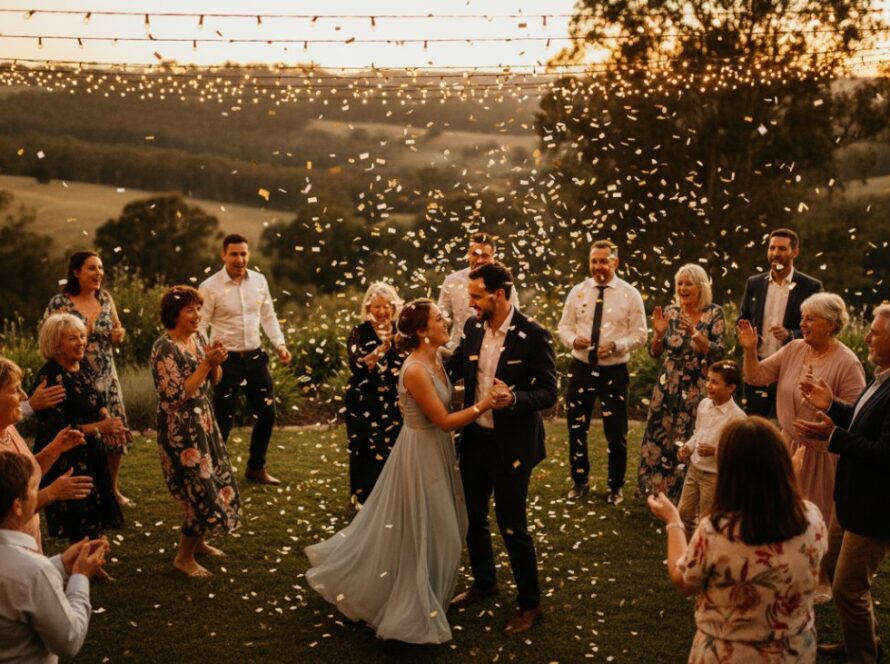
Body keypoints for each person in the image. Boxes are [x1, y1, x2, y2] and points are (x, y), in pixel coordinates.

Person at [306, 299, 495, 644]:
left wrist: (477, 391)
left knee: (443, 526)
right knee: (425, 527)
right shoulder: (415, 370)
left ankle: (429, 593)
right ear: (422, 331)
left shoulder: (435, 357)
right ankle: (414, 601)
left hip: (435, 451)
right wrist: (485, 404)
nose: (446, 321)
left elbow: (447, 399)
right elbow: (443, 420)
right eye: (439, 318)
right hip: (421, 450)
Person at [648, 417, 828, 662]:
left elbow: (684, 581)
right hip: (794, 652)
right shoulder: (813, 519)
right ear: (781, 464)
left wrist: (673, 521)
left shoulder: (716, 531)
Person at [445, 262, 558, 635]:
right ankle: (484, 582)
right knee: (473, 517)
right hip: (476, 438)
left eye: (477, 297)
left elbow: (548, 392)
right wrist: (421, 358)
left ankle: (530, 603)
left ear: (498, 295)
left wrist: (513, 398)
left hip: (512, 444)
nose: (471, 303)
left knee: (512, 524)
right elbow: (459, 365)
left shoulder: (534, 334)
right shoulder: (473, 326)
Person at [793, 303, 890, 662]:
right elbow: (862, 421)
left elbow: (884, 452)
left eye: (876, 332)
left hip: (875, 507)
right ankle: (859, 643)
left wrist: (834, 437)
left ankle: (864, 656)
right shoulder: (881, 377)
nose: (867, 336)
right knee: (835, 573)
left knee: (849, 588)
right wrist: (832, 405)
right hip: (849, 499)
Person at [738, 292, 865, 522]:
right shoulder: (794, 348)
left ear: (830, 324)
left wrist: (828, 409)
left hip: (821, 458)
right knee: (776, 518)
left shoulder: (848, 363)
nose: (801, 324)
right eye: (802, 318)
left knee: (809, 523)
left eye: (809, 319)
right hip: (786, 447)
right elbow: (754, 376)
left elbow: (859, 416)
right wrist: (749, 349)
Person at [151, 286, 241, 578]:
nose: (197, 315)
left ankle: (199, 543)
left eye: (198, 309)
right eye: (190, 310)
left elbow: (215, 379)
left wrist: (216, 362)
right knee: (197, 487)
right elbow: (176, 395)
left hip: (203, 421)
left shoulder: (199, 337)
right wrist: (206, 363)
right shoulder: (164, 347)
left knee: (212, 477)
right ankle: (183, 557)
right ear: (174, 314)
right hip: (180, 428)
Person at [199, 233, 292, 486]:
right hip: (225, 362)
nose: (240, 259)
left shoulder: (259, 281)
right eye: (234, 254)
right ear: (223, 255)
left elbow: (269, 316)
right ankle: (216, 474)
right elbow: (200, 326)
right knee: (223, 419)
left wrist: (280, 345)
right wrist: (206, 359)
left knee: (267, 413)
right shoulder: (209, 287)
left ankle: (255, 467)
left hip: (255, 358)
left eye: (243, 254)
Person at [558, 240, 647, 503]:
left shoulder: (630, 294)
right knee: (576, 428)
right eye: (594, 261)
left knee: (616, 433)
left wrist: (618, 345)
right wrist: (574, 340)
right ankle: (579, 481)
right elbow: (564, 327)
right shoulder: (578, 291)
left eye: (603, 261)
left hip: (614, 371)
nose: (598, 266)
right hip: (581, 368)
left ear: (615, 263)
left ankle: (615, 486)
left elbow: (641, 334)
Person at [0, 451, 110, 662]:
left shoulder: (29, 570)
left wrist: (59, 564)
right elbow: (69, 640)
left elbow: (13, 585)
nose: (39, 493)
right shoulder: (33, 571)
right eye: (34, 488)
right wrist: (80, 576)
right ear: (17, 506)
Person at [46, 250, 133, 506]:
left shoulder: (105, 298)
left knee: (114, 433)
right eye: (92, 268)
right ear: (76, 272)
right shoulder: (60, 303)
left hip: (107, 373)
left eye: (100, 268)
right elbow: (49, 337)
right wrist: (86, 330)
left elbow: (117, 328)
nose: (99, 273)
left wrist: (118, 334)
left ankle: (112, 491)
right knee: (80, 432)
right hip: (76, 374)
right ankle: (81, 490)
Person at [33, 313, 125, 541]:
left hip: (90, 450)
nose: (81, 343)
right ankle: (83, 563)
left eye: (83, 336)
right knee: (80, 511)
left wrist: (106, 417)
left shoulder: (80, 365)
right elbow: (59, 429)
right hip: (66, 456)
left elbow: (95, 398)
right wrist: (99, 428)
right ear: (55, 344)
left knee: (96, 506)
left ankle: (92, 560)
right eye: (73, 339)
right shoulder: (51, 377)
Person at [638, 264, 726, 501]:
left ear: (701, 287)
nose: (683, 288)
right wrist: (658, 335)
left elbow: (719, 354)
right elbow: (655, 353)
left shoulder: (714, 313)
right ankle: (655, 488)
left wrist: (695, 333)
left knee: (688, 433)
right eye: (680, 283)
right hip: (668, 383)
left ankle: (683, 492)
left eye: (689, 283)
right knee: (660, 432)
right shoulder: (671, 312)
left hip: (698, 384)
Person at [0, 358, 93, 553]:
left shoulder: (8, 430)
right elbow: (10, 510)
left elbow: (25, 476)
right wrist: (53, 492)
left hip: (28, 542)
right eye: (15, 390)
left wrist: (54, 450)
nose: (25, 397)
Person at [738, 228, 823, 417]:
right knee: (754, 426)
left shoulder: (811, 286)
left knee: (785, 428)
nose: (776, 253)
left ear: (795, 252)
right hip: (757, 367)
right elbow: (743, 319)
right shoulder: (754, 283)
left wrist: (790, 334)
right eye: (772, 248)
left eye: (782, 249)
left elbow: (819, 328)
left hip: (791, 370)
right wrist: (745, 335)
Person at [344, 282, 404, 508]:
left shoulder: (402, 331)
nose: (381, 311)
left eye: (386, 306)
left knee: (392, 450)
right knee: (363, 450)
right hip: (362, 399)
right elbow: (358, 366)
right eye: (376, 306)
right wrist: (382, 348)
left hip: (393, 400)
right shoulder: (359, 332)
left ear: (393, 307)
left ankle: (388, 499)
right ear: (368, 307)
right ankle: (361, 499)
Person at [676, 360, 745, 533]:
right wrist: (689, 447)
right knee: (683, 513)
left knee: (707, 520)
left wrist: (715, 451)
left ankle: (704, 553)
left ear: (731, 388)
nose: (708, 385)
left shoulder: (737, 418)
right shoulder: (704, 405)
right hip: (695, 469)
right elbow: (698, 432)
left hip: (714, 475)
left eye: (715, 382)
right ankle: (689, 551)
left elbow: (738, 454)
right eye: (708, 380)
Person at [438, 232, 519, 353]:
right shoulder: (452, 281)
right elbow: (441, 319)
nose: (480, 260)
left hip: (493, 351)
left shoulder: (504, 283)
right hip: (459, 352)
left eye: (485, 255)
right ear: (468, 255)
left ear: (493, 257)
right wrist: (448, 347)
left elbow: (514, 320)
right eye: (475, 254)